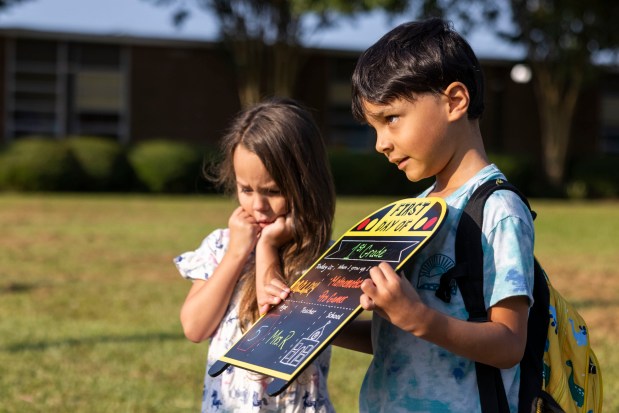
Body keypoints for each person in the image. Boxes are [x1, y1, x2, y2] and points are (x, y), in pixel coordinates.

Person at [174, 98, 336, 413]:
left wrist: (266, 249)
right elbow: (194, 327)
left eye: (273, 192)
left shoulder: (324, 258)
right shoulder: (221, 245)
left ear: (307, 186)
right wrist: (237, 253)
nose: (257, 206)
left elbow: (280, 337)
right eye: (246, 190)